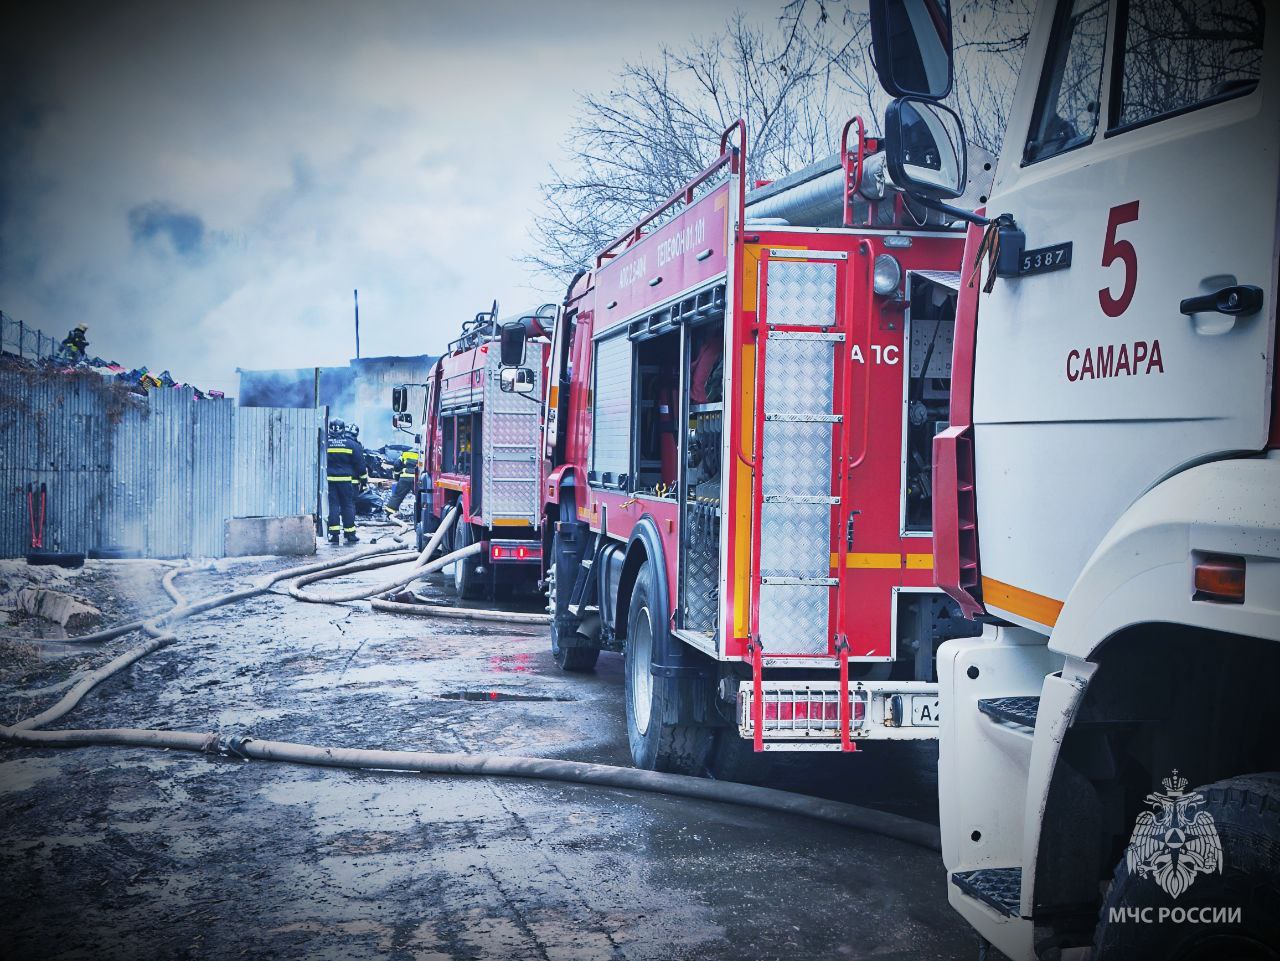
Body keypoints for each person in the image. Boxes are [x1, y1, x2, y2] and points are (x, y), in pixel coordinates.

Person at [325, 420, 367, 545]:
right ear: (343, 429)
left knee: (333, 506)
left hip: (329, 481)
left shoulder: (325, 443)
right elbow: (360, 464)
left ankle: (333, 535)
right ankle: (350, 534)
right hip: (346, 482)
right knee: (347, 506)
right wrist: (363, 479)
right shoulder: (351, 444)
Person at [383, 443, 421, 516]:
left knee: (397, 495)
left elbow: (397, 464)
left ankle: (389, 513)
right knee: (420, 497)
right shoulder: (423, 454)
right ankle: (419, 515)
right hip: (417, 479)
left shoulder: (406, 453)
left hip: (405, 478)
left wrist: (397, 476)